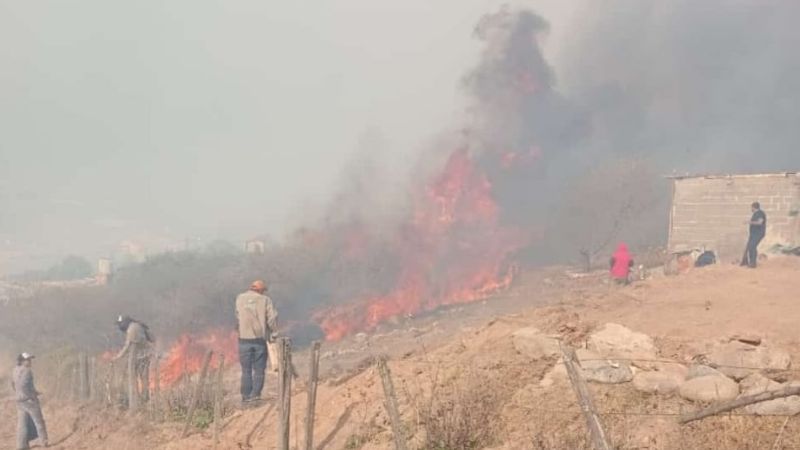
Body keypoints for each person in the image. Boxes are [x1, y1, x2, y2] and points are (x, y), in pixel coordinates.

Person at [235, 280, 278, 404]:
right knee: (259, 369)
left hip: (243, 340)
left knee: (246, 370)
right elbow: (272, 319)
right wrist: (274, 333)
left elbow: (238, 316)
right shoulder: (265, 300)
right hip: (259, 340)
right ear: (260, 290)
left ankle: (245, 397)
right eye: (263, 291)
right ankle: (255, 396)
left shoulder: (240, 298)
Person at [112, 315, 154, 403]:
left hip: (138, 357)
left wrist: (118, 357)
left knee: (134, 377)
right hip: (146, 355)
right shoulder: (138, 325)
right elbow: (151, 339)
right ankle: (145, 396)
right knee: (144, 377)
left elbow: (128, 346)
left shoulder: (132, 329)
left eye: (120, 324)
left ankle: (137, 399)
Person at [11, 352, 48, 449]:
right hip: (29, 401)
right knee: (39, 422)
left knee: (22, 424)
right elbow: (24, 386)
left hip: (19, 400)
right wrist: (33, 395)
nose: (30, 361)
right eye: (28, 360)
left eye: (30, 359)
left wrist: (20, 393)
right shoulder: (27, 371)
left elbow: (14, 384)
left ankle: (22, 446)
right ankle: (44, 442)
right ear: (22, 361)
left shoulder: (15, 370)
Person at [741, 201, 767, 268]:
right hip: (753, 234)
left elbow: (760, 222)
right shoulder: (756, 213)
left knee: (752, 247)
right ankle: (747, 262)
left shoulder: (760, 213)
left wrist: (749, 222)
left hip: (758, 234)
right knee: (749, 247)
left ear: (753, 207)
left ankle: (753, 263)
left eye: (751, 208)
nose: (751, 209)